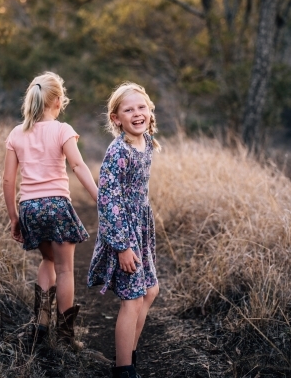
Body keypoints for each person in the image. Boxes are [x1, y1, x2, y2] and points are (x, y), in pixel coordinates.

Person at [3, 71, 97, 351]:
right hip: (56, 205)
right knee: (65, 269)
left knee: (47, 262)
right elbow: (78, 166)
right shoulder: (62, 129)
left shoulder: (17, 133)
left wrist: (13, 217)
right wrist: (99, 198)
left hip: (30, 208)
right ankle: (66, 339)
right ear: (57, 101)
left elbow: (8, 180)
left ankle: (40, 327)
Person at [88, 82, 161, 378]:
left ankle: (129, 350)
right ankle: (123, 368)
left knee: (150, 290)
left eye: (141, 107)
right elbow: (107, 201)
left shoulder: (147, 142)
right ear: (116, 118)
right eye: (128, 110)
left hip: (140, 227)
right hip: (123, 231)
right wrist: (121, 246)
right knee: (132, 299)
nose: (137, 113)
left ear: (150, 110)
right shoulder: (119, 151)